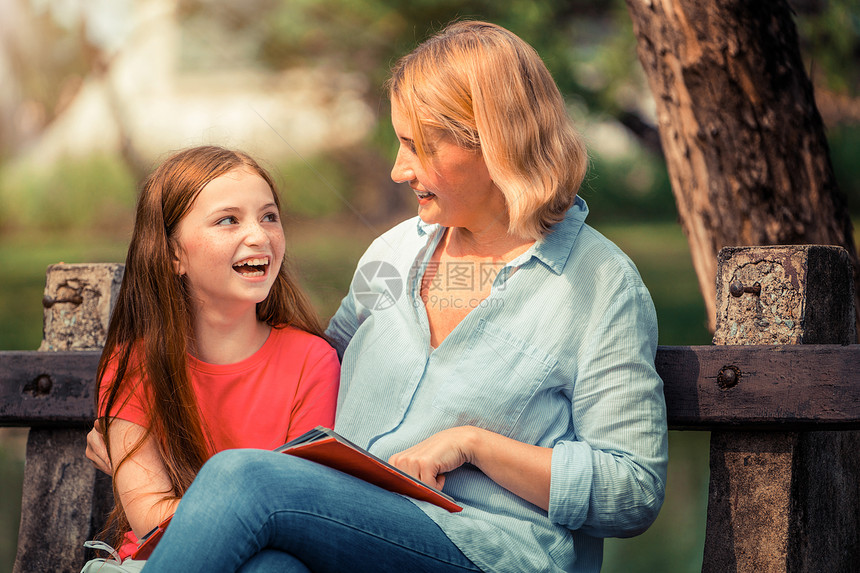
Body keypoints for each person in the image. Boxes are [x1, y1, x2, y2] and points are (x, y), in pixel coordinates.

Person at [140, 20, 668, 572]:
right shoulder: (394, 253)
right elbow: (314, 368)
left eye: (417, 146)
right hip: (349, 527)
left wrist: (476, 445)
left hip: (488, 549)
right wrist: (145, 421)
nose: (398, 168)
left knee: (242, 477)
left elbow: (632, 489)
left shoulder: (600, 286)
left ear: (493, 143)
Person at [83, 146, 340, 567]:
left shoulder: (312, 361)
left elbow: (301, 510)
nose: (259, 236)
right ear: (173, 255)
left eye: (269, 216)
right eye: (228, 220)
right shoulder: (135, 365)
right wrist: (257, 505)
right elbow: (150, 519)